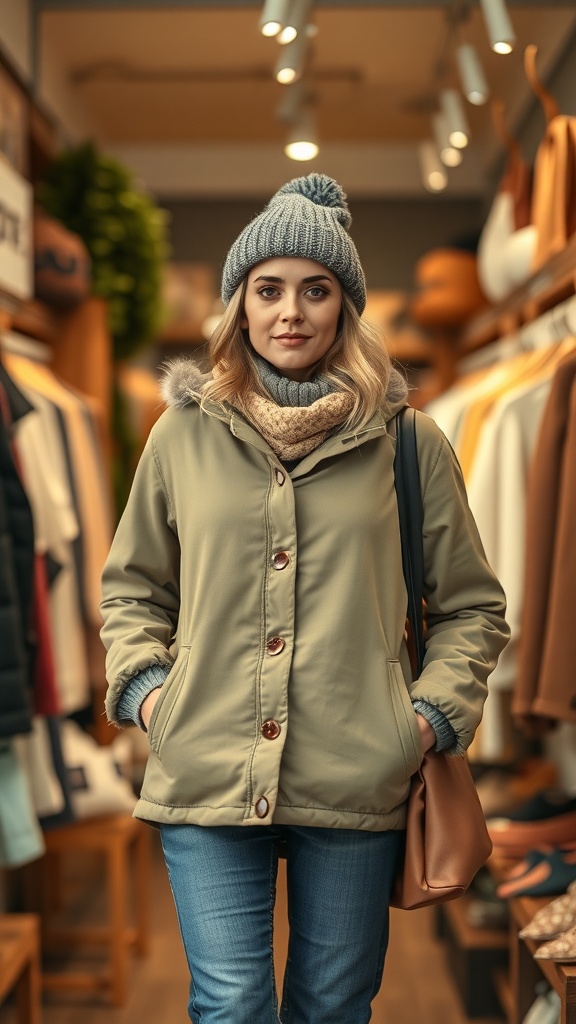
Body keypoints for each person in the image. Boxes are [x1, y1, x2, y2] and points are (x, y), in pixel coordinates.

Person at [100, 173, 510, 1024]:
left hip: (359, 772)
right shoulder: (180, 435)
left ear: (345, 309)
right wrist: (147, 695)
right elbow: (133, 586)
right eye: (270, 289)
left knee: (332, 1007)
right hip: (205, 767)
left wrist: (425, 718)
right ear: (239, 306)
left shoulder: (409, 442)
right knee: (231, 1003)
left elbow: (472, 605)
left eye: (316, 291)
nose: (291, 312)